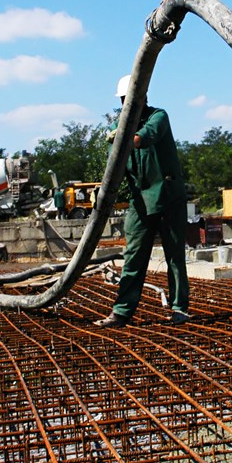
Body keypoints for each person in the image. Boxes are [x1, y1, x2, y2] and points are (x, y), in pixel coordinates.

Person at [95, 74, 191, 328]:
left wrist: (122, 138)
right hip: (140, 203)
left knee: (174, 258)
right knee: (133, 258)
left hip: (168, 198)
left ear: (143, 97)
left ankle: (180, 309)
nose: (128, 104)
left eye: (132, 100)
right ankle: (122, 312)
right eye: (124, 101)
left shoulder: (158, 117)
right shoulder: (119, 130)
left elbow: (141, 138)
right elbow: (115, 171)